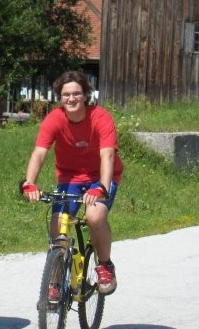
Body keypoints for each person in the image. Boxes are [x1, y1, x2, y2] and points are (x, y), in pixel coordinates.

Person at [21, 71, 123, 296]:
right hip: (70, 178)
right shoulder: (54, 119)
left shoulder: (100, 117)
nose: (71, 98)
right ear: (60, 97)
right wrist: (30, 183)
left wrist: (101, 187)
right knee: (59, 224)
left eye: (77, 93)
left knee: (95, 216)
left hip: (101, 177)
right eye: (66, 94)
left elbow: (107, 155)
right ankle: (55, 284)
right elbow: (39, 153)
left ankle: (104, 265)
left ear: (86, 95)